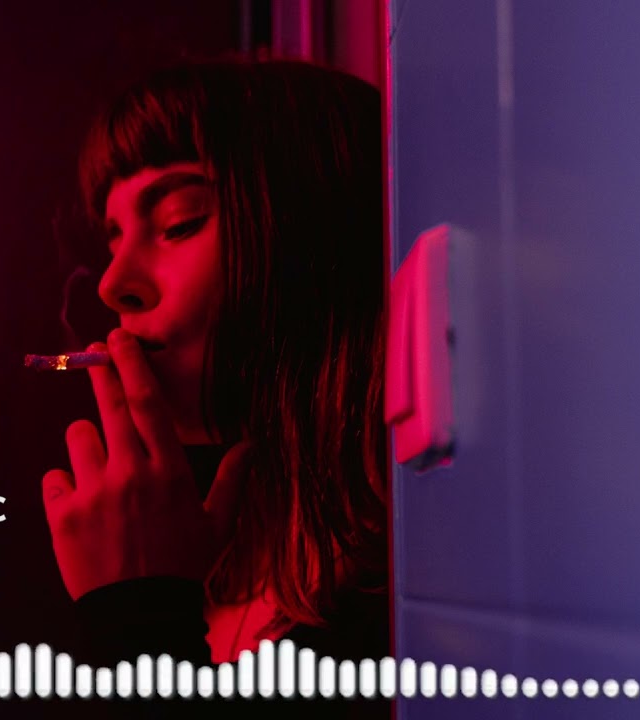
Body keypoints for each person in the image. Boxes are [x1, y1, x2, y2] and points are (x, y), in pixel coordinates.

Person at [40, 57, 390, 716]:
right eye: (113, 240)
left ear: (311, 239)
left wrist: (134, 615)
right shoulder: (206, 558)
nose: (112, 285)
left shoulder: (397, 613)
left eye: (178, 222)